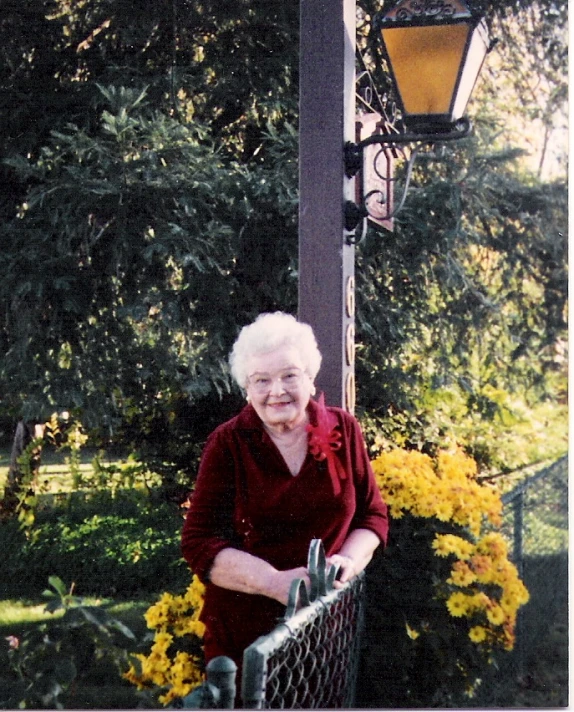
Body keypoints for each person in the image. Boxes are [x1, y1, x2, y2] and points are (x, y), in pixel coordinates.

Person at [181, 311, 388, 674]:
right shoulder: (227, 444)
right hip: (247, 641)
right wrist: (275, 582)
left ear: (309, 378)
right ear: (247, 388)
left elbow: (372, 516)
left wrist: (349, 562)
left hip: (326, 630)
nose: (276, 391)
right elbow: (198, 542)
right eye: (261, 380)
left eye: (289, 376)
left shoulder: (344, 429)